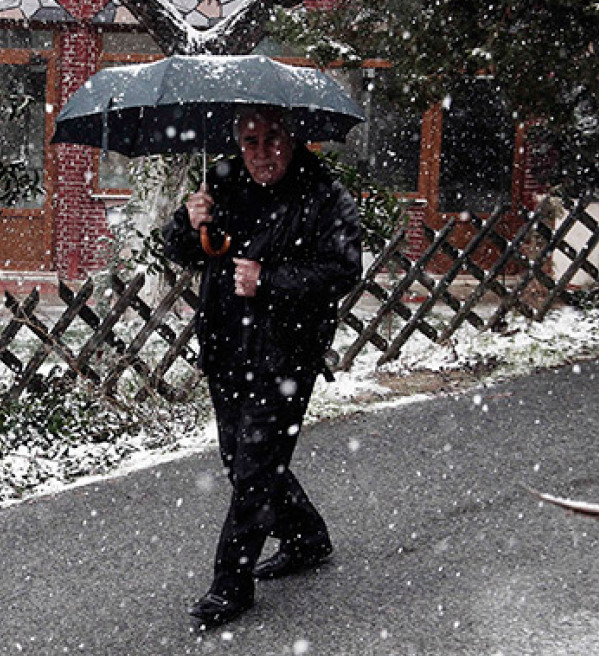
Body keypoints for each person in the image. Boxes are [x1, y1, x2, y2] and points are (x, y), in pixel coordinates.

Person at [162, 106, 363, 627]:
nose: (261, 151)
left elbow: (341, 270)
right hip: (228, 346)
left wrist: (268, 279)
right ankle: (306, 537)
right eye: (250, 140)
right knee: (238, 458)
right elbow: (184, 252)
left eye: (273, 138)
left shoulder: (324, 194)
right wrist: (189, 221)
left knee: (254, 470)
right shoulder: (222, 183)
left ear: (294, 139)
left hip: (287, 352)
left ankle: (231, 584)